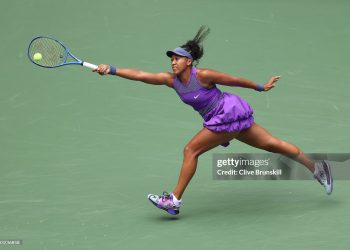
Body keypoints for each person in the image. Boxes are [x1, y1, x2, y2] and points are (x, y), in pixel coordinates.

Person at [94, 26, 333, 215]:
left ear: (189, 61)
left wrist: (261, 87)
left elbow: (235, 80)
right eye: (171, 59)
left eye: (177, 58)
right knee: (273, 144)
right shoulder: (171, 81)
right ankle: (318, 168)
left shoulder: (204, 75)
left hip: (225, 113)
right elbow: (140, 75)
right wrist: (111, 69)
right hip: (225, 119)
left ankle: (174, 201)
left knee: (190, 150)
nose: (172, 62)